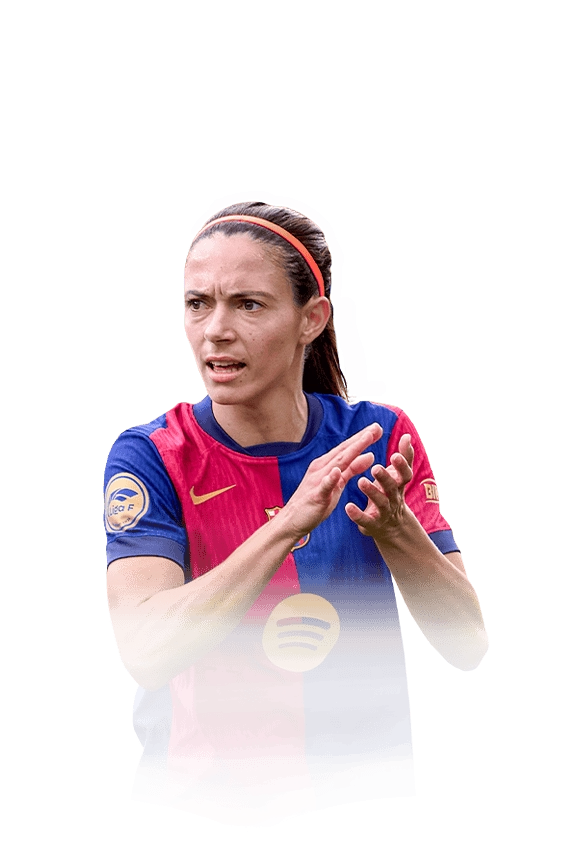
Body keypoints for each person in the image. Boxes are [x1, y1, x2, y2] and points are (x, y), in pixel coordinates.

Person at [102, 199, 489, 828]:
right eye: (198, 303)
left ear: (312, 319)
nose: (215, 330)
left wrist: (397, 532)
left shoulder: (380, 438)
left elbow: (467, 646)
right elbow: (145, 652)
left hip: (365, 802)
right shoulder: (153, 455)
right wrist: (286, 524)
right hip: (205, 812)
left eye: (248, 304)